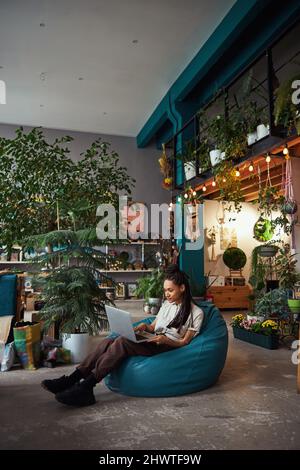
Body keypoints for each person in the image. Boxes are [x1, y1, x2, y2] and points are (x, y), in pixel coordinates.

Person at [41, 264, 204, 407]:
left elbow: (184, 342)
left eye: (170, 290)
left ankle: (87, 387)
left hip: (166, 346)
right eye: (165, 290)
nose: (167, 294)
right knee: (108, 341)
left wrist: (165, 339)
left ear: (182, 288)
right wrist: (144, 326)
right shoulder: (167, 305)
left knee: (122, 343)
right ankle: (72, 379)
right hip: (154, 339)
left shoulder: (196, 312)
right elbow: (154, 326)